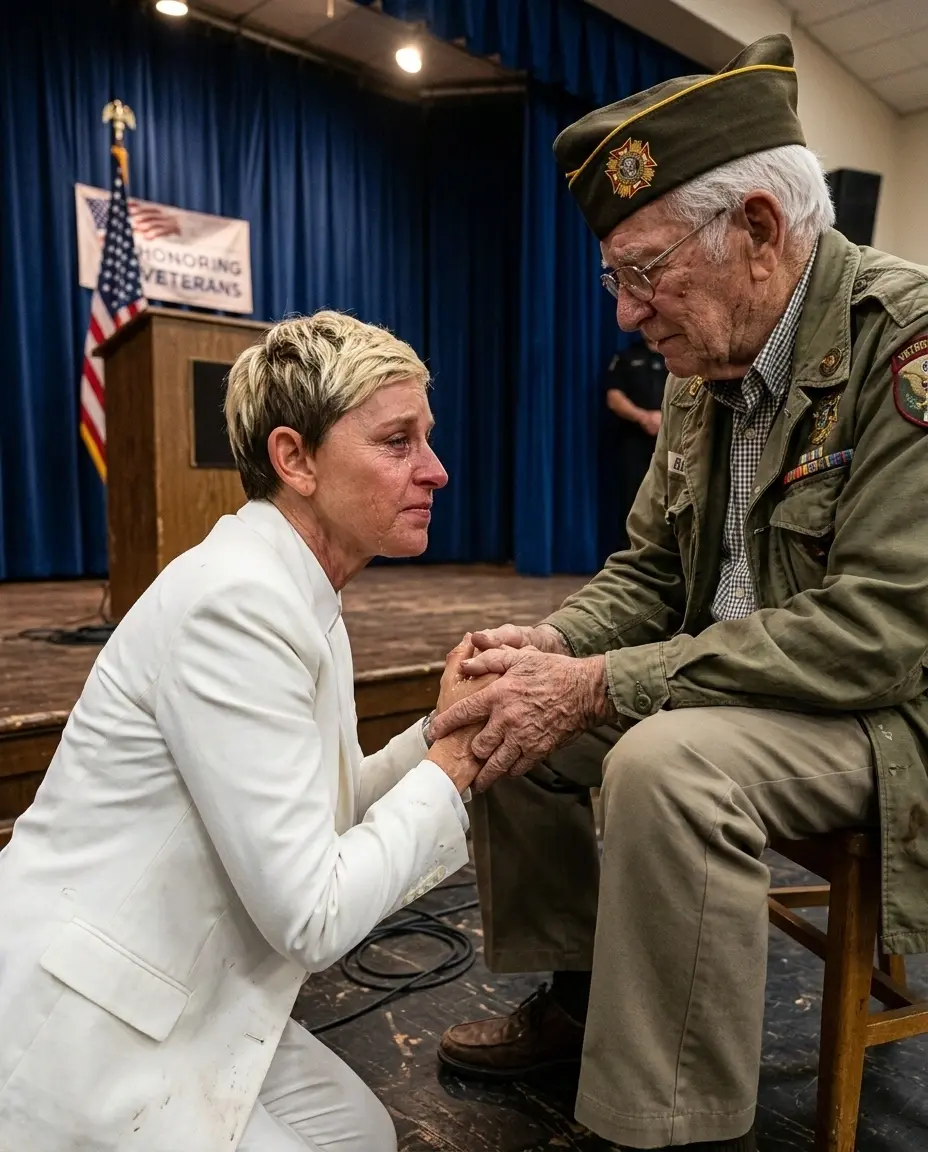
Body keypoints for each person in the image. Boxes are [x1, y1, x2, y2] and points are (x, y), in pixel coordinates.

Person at [430, 33, 928, 1152]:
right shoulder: (706, 364)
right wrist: (551, 644)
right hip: (738, 684)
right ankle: (581, 1000)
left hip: (882, 712)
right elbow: (653, 571)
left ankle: (672, 1124)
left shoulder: (905, 344)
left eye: (644, 271)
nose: (626, 312)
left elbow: (879, 635)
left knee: (663, 764)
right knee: (510, 702)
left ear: (757, 229)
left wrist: (603, 684)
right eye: (615, 277)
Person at [0, 311, 493, 1152]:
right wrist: (450, 769)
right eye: (397, 442)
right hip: (88, 1016)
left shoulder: (293, 588)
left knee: (360, 1133)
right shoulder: (238, 602)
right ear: (295, 459)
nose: (435, 469)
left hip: (180, 984)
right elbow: (313, 916)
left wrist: (441, 731)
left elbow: (320, 812)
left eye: (427, 438)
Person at [601, 345, 666, 551]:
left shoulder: (677, 353)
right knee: (633, 497)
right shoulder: (627, 357)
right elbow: (614, 397)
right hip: (634, 441)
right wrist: (644, 417)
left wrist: (666, 420)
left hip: (672, 439)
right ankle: (632, 552)